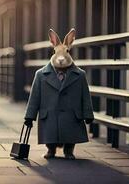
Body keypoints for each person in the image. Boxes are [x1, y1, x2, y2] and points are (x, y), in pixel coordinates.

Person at [24, 29, 94, 160]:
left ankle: (69, 151)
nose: (61, 58)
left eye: (65, 51)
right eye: (57, 52)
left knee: (70, 133)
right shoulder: (40, 75)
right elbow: (34, 97)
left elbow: (85, 96)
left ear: (69, 51)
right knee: (50, 132)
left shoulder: (79, 75)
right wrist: (29, 116)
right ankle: (51, 150)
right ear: (53, 50)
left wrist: (88, 114)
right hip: (50, 114)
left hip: (71, 114)